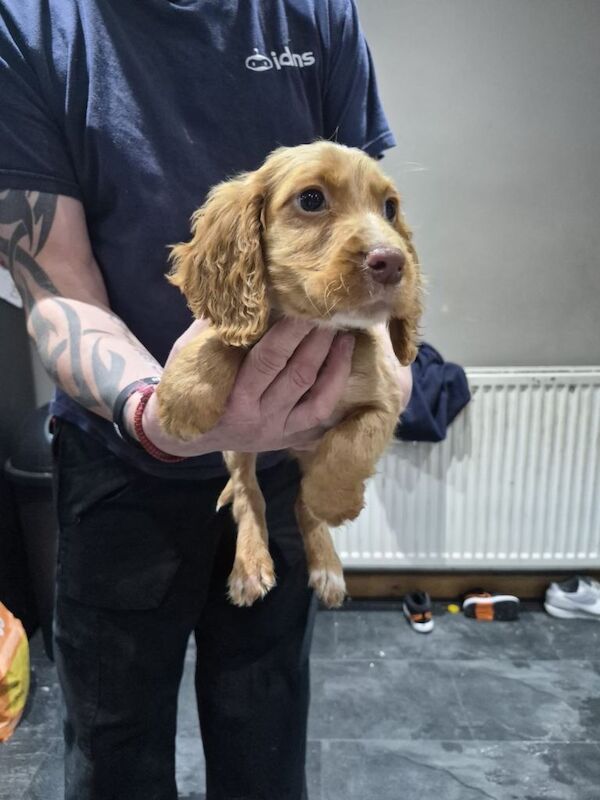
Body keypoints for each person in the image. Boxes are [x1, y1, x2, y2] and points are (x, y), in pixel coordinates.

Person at [0, 1, 412, 798]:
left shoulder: (313, 12)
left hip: (285, 458)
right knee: (112, 759)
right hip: (119, 461)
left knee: (265, 745)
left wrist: (378, 381)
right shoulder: (30, 24)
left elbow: (363, 215)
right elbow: (55, 290)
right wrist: (161, 418)